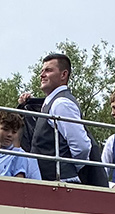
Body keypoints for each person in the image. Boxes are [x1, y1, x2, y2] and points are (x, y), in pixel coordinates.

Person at [19, 54, 92, 183]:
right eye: (42, 71)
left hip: (62, 181)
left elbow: (82, 146)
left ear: (63, 75)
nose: (42, 75)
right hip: (52, 180)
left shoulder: (62, 103)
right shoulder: (52, 102)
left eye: (48, 70)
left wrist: (68, 168)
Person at [0, 110, 42, 179]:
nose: (9, 134)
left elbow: (18, 185)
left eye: (14, 132)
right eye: (6, 129)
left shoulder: (19, 155)